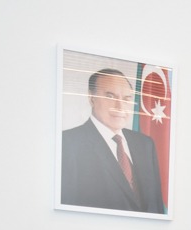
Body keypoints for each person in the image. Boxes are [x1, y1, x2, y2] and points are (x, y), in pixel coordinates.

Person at [61, 68, 165, 214]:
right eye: (110, 96)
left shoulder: (145, 145)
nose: (120, 107)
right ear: (91, 98)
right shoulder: (68, 144)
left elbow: (157, 208)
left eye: (126, 99)